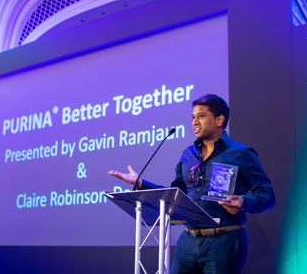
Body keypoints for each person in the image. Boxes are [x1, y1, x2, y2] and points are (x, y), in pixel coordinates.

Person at [108, 94, 275, 274]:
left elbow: (267, 195)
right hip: (189, 240)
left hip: (224, 240)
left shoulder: (241, 153)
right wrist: (141, 183)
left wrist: (243, 201)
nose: (195, 122)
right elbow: (174, 194)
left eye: (201, 116)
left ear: (219, 120)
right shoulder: (188, 154)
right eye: (193, 117)